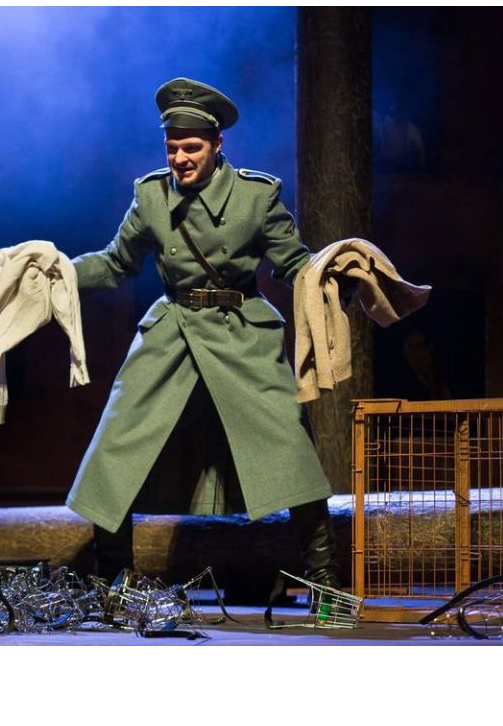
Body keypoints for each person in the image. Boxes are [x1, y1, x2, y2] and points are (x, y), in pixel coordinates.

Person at [65, 77, 342, 589]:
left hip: (242, 330)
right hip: (172, 329)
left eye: (191, 147)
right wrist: (58, 272)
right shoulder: (150, 196)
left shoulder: (257, 196)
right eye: (172, 148)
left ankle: (324, 580)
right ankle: (112, 581)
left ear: (217, 144)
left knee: (290, 448)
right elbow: (116, 263)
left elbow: (294, 263)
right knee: (116, 444)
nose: (180, 159)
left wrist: (335, 272)